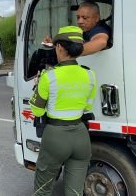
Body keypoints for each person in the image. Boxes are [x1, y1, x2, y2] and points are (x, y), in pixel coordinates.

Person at [30, 26, 97, 196]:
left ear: (59, 47)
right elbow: (88, 107)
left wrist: (37, 86)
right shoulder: (90, 75)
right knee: (74, 193)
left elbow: (37, 111)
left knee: (42, 190)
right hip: (81, 137)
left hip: (55, 137)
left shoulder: (49, 76)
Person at [43, 1, 111, 56]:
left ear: (96, 18)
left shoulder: (100, 29)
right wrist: (55, 45)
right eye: (78, 17)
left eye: (85, 18)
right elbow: (72, 44)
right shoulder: (87, 29)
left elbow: (101, 42)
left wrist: (70, 52)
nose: (79, 21)